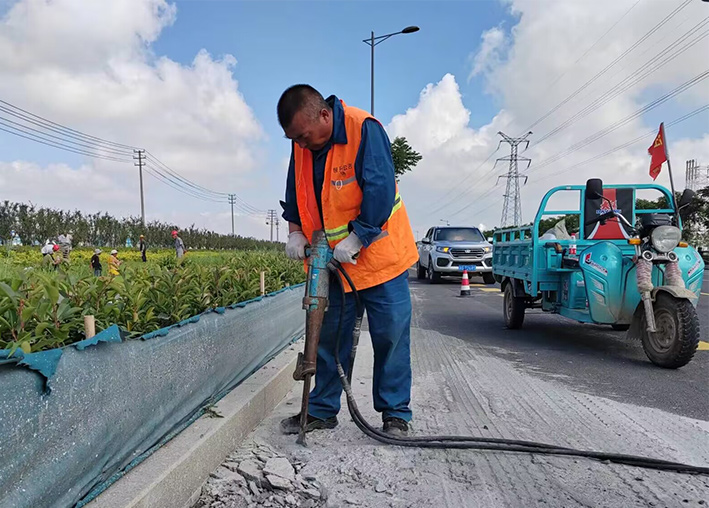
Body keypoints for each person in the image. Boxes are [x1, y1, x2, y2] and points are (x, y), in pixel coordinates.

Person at [277, 85, 418, 437]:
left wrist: (358, 237)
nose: (302, 144)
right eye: (295, 139)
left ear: (324, 115)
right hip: (333, 264)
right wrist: (295, 231)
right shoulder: (302, 145)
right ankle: (322, 410)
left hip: (379, 258)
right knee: (329, 338)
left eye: (304, 136)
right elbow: (296, 194)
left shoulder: (363, 128)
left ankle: (395, 414)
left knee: (390, 336)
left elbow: (380, 189)